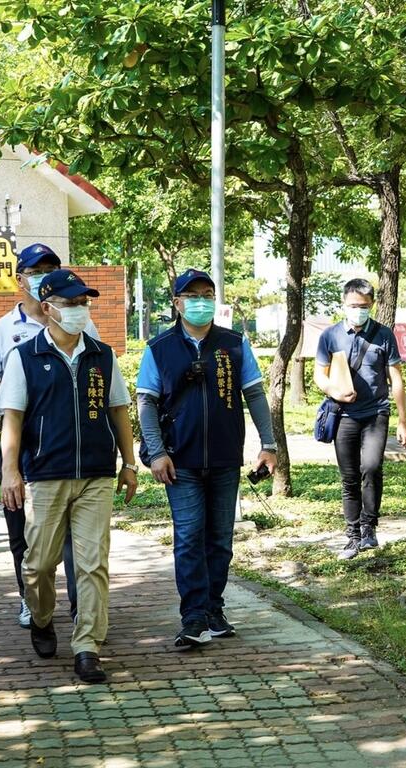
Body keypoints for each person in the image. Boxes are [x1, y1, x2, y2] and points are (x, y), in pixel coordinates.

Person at [0, 269, 137, 684]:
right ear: (48, 307)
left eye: (83, 302)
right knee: (38, 564)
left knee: (93, 564)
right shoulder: (24, 357)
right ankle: (41, 618)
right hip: (45, 475)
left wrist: (129, 464)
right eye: (71, 303)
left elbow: (118, 410)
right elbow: (12, 419)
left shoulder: (102, 355)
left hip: (96, 475)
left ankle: (87, 647)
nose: (80, 309)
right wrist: (10, 471)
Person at [136, 269, 278, 648]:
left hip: (225, 457)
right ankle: (194, 615)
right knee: (188, 536)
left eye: (207, 294)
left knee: (220, 539)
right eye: (193, 295)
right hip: (179, 460)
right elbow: (146, 403)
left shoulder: (234, 344)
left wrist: (269, 445)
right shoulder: (159, 348)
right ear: (177, 303)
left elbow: (255, 394)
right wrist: (156, 452)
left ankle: (214, 608)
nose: (201, 301)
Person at [0, 243, 98, 628]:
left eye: (51, 268)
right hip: (20, 444)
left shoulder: (79, 320)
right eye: (37, 270)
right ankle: (32, 600)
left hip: (70, 445)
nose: (45, 274)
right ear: (20, 279)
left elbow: (99, 376)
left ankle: (82, 609)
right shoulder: (0, 332)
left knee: (77, 537)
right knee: (23, 532)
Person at [314, 279, 406, 562]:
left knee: (371, 467)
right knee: (349, 477)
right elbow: (320, 374)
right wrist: (334, 391)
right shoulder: (330, 335)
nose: (358, 310)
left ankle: (369, 526)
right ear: (344, 304)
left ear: (372, 305)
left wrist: (403, 421)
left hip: (376, 413)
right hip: (343, 415)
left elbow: (396, 379)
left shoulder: (384, 335)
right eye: (353, 305)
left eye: (364, 306)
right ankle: (353, 535)